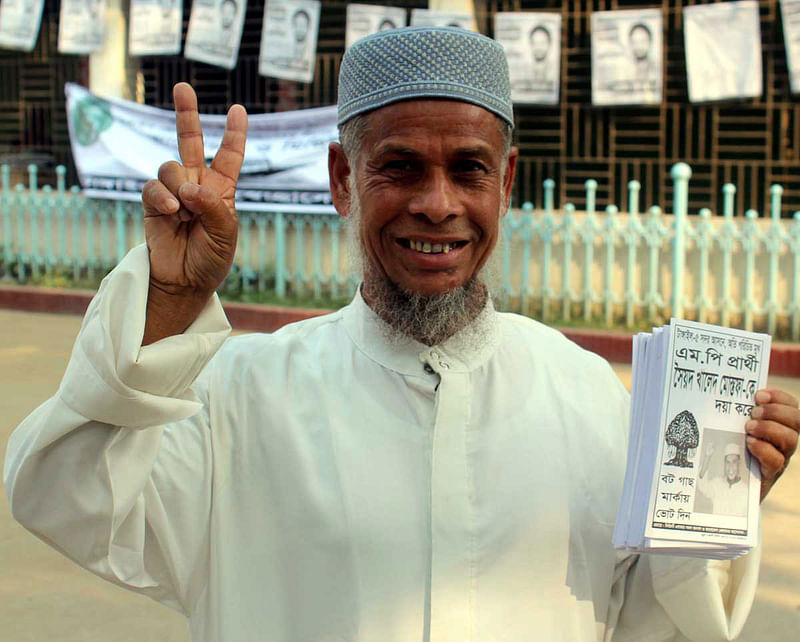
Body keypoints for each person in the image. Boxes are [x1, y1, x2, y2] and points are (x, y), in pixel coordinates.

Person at [4, 26, 799, 642]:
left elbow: (646, 623)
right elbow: (63, 497)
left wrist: (706, 512)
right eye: (401, 168)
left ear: (507, 181)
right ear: (343, 179)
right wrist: (167, 304)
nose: (438, 203)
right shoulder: (239, 397)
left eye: (468, 169)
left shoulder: (588, 394)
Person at [698, 441, 749, 517]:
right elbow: (702, 485)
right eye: (727, 462)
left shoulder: (746, 491)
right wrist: (707, 457)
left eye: (734, 462)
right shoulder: (717, 484)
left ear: (739, 463)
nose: (730, 467)